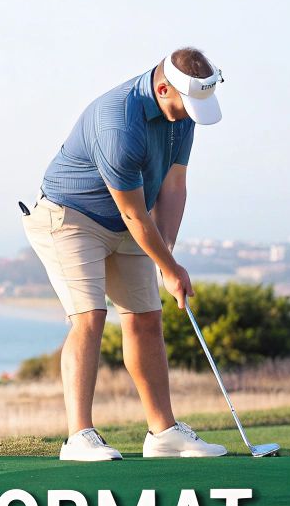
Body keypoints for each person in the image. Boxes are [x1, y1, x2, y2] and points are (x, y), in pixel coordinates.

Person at [23, 48, 232, 461]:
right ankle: (78, 437)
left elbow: (173, 187)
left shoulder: (182, 116)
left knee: (146, 319)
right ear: (161, 87)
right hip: (71, 217)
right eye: (187, 105)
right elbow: (134, 211)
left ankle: (163, 433)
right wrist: (168, 269)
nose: (192, 114)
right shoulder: (117, 120)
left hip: (126, 223)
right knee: (90, 316)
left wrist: (166, 253)